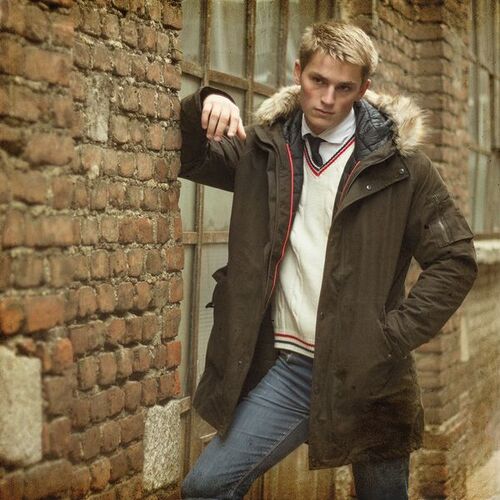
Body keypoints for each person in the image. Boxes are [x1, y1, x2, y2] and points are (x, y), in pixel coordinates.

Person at [179, 21, 477, 500]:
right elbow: (191, 157)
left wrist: (389, 337)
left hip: (371, 374)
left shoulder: (403, 166)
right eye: (317, 80)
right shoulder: (265, 151)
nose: (327, 99)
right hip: (294, 368)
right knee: (205, 487)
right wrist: (206, 102)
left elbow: (455, 258)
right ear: (298, 72)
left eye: (344, 88)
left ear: (364, 89)